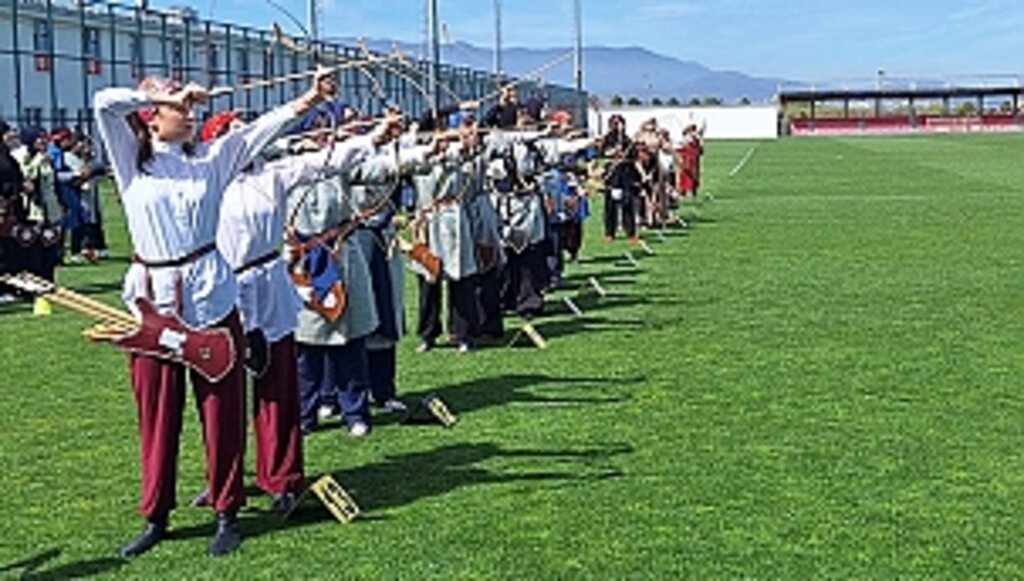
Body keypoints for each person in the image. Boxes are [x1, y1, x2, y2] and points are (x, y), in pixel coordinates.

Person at [93, 70, 334, 558]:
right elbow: (103, 103)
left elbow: (260, 130)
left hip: (212, 299)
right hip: (151, 303)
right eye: (177, 105)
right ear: (151, 119)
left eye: (187, 102)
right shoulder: (131, 159)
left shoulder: (213, 158)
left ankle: (227, 510)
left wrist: (308, 99)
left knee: (221, 411)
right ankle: (156, 515)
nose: (189, 109)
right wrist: (157, 94)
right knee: (157, 415)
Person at [11, 126, 62, 281]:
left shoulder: (46, 158)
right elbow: (26, 177)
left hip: (49, 211)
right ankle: (32, 283)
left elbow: (53, 183)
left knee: (50, 248)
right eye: (39, 138)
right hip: (30, 211)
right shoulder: (20, 156)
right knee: (31, 251)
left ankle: (48, 281)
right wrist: (38, 160)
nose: (43, 141)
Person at [0, 119, 26, 303]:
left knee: (12, 248)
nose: (12, 136)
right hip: (3, 206)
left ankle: (14, 286)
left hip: (13, 208)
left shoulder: (8, 156)